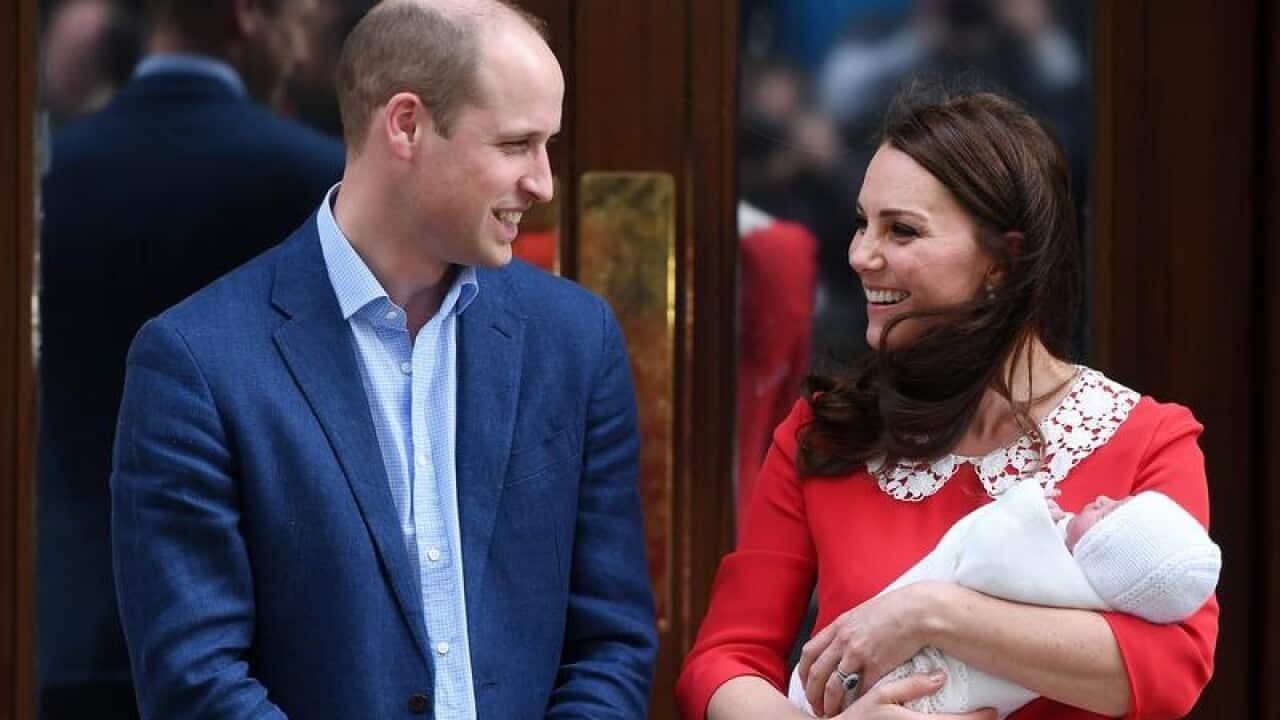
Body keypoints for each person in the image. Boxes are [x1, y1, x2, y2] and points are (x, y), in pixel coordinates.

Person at [109, 1, 658, 718]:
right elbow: (198, 680)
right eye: (517, 144)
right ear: (405, 125)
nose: (544, 182)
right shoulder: (196, 363)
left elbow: (611, 644)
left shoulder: (574, 339)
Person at [676, 88, 1217, 720]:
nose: (860, 255)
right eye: (861, 222)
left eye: (900, 230)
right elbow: (723, 662)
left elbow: (1174, 669)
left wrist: (931, 613)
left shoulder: (1149, 438)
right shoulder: (823, 433)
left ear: (1004, 262)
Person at [38, 0, 342, 716]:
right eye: (294, 22)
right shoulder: (317, 181)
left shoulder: (49, 178)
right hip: (262, 630)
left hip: (76, 615)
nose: (300, 54)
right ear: (246, 18)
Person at [784, 480, 1221, 717]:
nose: (1104, 498)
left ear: (1104, 551)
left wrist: (1027, 508)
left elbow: (986, 558)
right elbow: (727, 656)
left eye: (1112, 512)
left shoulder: (1062, 579)